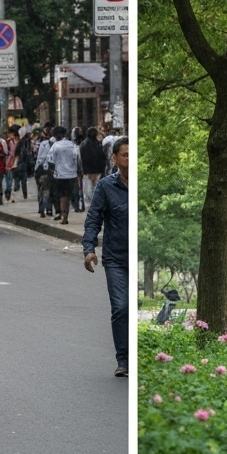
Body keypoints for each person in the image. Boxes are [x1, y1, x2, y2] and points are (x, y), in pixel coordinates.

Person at [83, 137, 129, 377]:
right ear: (115, 159)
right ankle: (124, 359)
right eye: (125, 155)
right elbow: (94, 218)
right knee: (121, 307)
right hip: (115, 258)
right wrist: (89, 249)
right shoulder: (106, 186)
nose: (130, 159)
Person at [48, 126, 80, 225]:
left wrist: (52, 171)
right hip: (72, 174)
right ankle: (66, 212)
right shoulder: (73, 145)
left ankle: (63, 214)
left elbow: (50, 160)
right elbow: (77, 159)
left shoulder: (55, 146)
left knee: (62, 196)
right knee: (69, 195)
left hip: (59, 175)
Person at [79, 127, 106, 211]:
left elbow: (80, 158)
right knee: (95, 187)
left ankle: (89, 204)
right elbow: (102, 157)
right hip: (97, 169)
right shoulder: (99, 144)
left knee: (87, 188)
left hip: (87, 170)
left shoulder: (83, 144)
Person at [35, 127, 58, 219]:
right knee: (49, 191)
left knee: (43, 190)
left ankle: (42, 209)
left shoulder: (43, 144)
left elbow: (39, 158)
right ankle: (48, 209)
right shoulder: (58, 145)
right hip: (51, 171)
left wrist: (36, 169)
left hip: (42, 170)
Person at [12, 125, 34, 201]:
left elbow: (16, 152)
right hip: (27, 161)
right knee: (24, 178)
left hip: (21, 161)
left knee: (17, 173)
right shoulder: (29, 141)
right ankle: (25, 193)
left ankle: (17, 185)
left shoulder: (21, 142)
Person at [1, 127, 19, 204]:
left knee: (11, 177)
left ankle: (9, 190)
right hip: (8, 161)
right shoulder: (8, 142)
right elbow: (7, 152)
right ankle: (8, 190)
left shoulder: (17, 142)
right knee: (9, 177)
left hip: (14, 161)